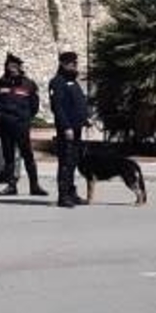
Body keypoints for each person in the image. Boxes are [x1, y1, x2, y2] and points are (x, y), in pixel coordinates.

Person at [0, 53, 46, 197]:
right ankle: (11, 185)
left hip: (21, 125)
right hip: (5, 125)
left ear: (20, 68)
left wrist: (26, 118)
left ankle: (34, 186)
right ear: (6, 67)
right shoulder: (0, 83)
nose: (12, 69)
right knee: (8, 156)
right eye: (10, 66)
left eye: (15, 66)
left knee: (27, 155)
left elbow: (34, 105)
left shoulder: (28, 84)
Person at [48, 50, 90, 208]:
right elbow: (58, 108)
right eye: (72, 63)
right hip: (67, 129)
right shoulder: (57, 82)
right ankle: (63, 196)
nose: (75, 66)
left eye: (76, 63)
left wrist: (85, 118)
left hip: (77, 127)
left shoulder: (72, 81)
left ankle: (72, 193)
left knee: (73, 161)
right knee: (65, 162)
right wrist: (66, 127)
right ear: (63, 64)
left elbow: (77, 103)